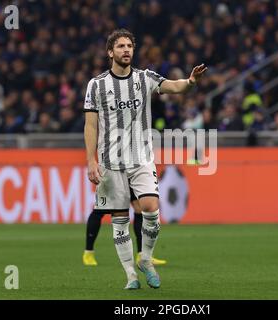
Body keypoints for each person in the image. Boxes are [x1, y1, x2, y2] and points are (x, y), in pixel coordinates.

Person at [83, 29, 207, 290]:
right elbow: (91, 125)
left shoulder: (144, 77)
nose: (126, 50)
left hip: (141, 158)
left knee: (150, 207)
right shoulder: (96, 85)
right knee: (119, 220)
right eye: (120, 46)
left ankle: (146, 259)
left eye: (129, 46)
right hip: (110, 162)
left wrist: (191, 81)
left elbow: (173, 87)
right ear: (110, 52)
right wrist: (91, 161)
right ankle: (130, 275)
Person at [82, 188, 167, 267]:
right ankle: (88, 253)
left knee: (139, 207)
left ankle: (142, 255)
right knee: (100, 209)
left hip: (129, 174)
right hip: (111, 173)